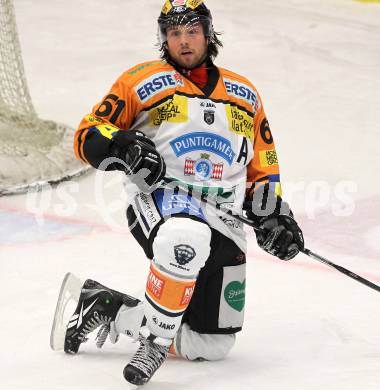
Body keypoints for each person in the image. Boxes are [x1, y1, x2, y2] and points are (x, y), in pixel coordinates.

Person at [52, 0, 304, 386]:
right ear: (163, 38)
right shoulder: (140, 80)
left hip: (225, 216)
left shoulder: (245, 93)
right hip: (160, 201)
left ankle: (105, 306)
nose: (183, 42)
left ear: (207, 33)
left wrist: (274, 215)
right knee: (187, 234)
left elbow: (263, 167)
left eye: (191, 32)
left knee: (210, 343)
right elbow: (89, 132)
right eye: (173, 34)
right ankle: (153, 343)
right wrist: (122, 145)